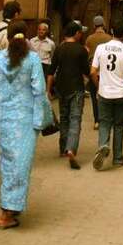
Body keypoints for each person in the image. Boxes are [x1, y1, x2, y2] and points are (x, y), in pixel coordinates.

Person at [0, 20, 46, 229]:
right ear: (25, 37)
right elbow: (39, 91)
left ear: (7, 38)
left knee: (8, 163)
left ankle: (11, 207)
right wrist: (39, 121)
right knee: (21, 164)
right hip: (26, 121)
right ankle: (7, 211)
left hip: (3, 120)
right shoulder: (33, 60)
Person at [90, 24, 123, 170]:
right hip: (121, 94)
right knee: (119, 125)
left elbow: (92, 71)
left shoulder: (100, 48)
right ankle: (117, 158)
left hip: (104, 93)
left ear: (111, 31)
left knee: (104, 122)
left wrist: (98, 86)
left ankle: (103, 145)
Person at [47, 21, 90, 170]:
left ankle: (63, 148)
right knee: (75, 119)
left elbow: (51, 71)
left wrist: (48, 91)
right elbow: (87, 71)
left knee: (64, 117)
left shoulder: (59, 49)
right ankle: (71, 149)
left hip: (61, 88)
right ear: (76, 33)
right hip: (76, 88)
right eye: (80, 32)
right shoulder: (81, 50)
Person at [85, 16, 111, 130]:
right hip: (106, 71)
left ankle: (97, 121)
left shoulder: (89, 38)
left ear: (94, 26)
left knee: (94, 97)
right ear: (103, 25)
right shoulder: (109, 38)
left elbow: (87, 54)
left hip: (93, 71)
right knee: (106, 96)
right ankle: (106, 119)